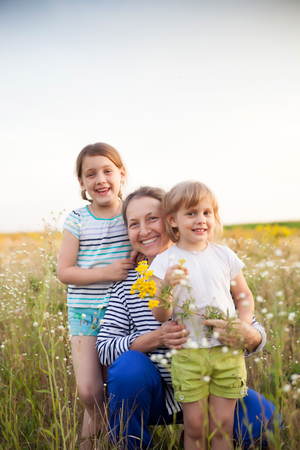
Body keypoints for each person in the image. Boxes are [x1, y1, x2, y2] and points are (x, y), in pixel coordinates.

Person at [96, 186, 276, 450]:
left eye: (152, 218)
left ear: (170, 220)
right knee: (128, 370)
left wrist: (248, 333)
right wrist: (156, 337)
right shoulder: (126, 284)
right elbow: (105, 349)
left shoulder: (212, 258)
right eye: (134, 224)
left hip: (214, 377)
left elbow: (247, 317)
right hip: (159, 394)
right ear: (176, 218)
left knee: (267, 421)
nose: (144, 230)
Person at [149, 181, 254, 450]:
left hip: (227, 353)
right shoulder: (165, 260)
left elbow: (244, 296)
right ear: (172, 219)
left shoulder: (225, 255)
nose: (201, 220)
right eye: (192, 213)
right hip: (188, 355)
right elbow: (162, 314)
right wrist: (167, 286)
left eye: (207, 213)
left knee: (222, 425)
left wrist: (241, 327)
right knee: (195, 425)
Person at [57, 143, 135, 448]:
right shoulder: (77, 219)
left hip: (122, 314)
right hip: (84, 314)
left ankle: (95, 443)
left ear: (121, 174)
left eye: (107, 171)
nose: (100, 179)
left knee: (111, 389)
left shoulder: (132, 212)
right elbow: (65, 272)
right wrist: (106, 272)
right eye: (91, 174)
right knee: (89, 391)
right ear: (82, 183)